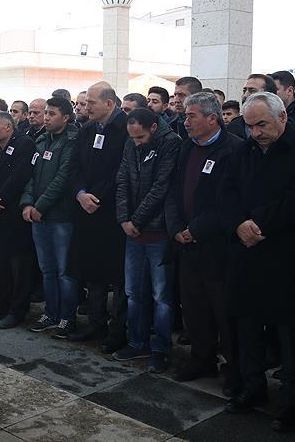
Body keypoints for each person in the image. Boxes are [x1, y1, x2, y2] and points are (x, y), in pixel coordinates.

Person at [218, 92, 295, 432]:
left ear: (282, 117)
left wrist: (258, 224)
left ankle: (292, 399)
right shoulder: (241, 151)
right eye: (249, 126)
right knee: (247, 325)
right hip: (246, 252)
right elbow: (226, 193)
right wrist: (239, 224)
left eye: (262, 125)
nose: (256, 133)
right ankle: (252, 387)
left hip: (285, 255)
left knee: (290, 333)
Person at [164, 92, 242, 388]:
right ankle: (202, 359)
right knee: (194, 307)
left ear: (212, 118)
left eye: (191, 116)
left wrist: (196, 229)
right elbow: (173, 191)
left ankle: (236, 369)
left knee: (225, 312)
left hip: (218, 246)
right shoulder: (187, 147)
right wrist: (176, 228)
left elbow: (230, 201)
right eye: (184, 116)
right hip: (186, 244)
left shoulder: (234, 149)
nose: (185, 122)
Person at [113, 108, 180, 373]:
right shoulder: (131, 143)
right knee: (133, 292)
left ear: (153, 128)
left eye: (141, 137)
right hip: (132, 231)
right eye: (133, 138)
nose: (137, 142)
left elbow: (161, 186)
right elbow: (122, 180)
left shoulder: (171, 143)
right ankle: (137, 341)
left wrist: (137, 220)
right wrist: (124, 219)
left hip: (158, 231)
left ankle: (161, 348)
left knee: (161, 295)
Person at [66, 83, 129, 351]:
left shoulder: (125, 129)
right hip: (86, 209)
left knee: (118, 274)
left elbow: (121, 171)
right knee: (91, 270)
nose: (86, 107)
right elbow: (74, 166)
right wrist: (81, 193)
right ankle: (95, 323)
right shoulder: (87, 129)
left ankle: (118, 331)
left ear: (109, 103)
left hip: (113, 212)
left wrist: (97, 197)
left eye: (91, 102)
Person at [21, 97, 79, 338]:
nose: (46, 117)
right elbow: (31, 176)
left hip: (61, 216)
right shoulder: (42, 140)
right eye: (45, 112)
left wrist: (41, 206)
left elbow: (63, 178)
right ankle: (51, 313)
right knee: (47, 269)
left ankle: (67, 317)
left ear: (65, 117)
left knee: (65, 271)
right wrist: (27, 203)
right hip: (39, 216)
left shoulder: (72, 141)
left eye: (51, 113)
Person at [0, 111, 35, 328]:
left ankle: (18, 309)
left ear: (8, 127)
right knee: (0, 258)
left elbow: (20, 176)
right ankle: (0, 303)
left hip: (15, 210)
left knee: (19, 263)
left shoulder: (24, 144)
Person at [228, 74, 278, 140]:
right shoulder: (233, 126)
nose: (245, 95)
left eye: (252, 91)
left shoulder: (283, 126)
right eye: (244, 91)